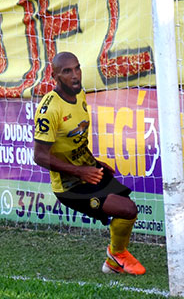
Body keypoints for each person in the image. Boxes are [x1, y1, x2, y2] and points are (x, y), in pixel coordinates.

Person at [32, 51, 145, 275]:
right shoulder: (50, 110)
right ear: (54, 75)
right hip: (69, 186)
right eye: (67, 71)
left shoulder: (79, 94)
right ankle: (116, 255)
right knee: (127, 209)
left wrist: (93, 163)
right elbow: (40, 156)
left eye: (77, 68)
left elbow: (75, 141)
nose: (75, 75)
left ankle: (113, 261)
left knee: (126, 204)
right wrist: (80, 171)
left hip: (87, 171)